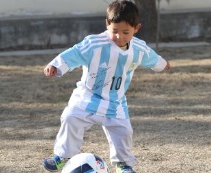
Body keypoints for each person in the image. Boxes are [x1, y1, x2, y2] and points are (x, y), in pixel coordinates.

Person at [43, 1, 171, 173]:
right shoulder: (94, 44)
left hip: (115, 101)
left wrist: (163, 64)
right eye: (115, 31)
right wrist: (55, 66)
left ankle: (122, 163)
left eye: (126, 32)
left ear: (136, 28)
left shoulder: (139, 49)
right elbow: (74, 53)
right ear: (107, 25)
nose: (119, 37)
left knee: (123, 132)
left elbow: (152, 58)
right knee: (70, 118)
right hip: (87, 97)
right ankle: (63, 156)